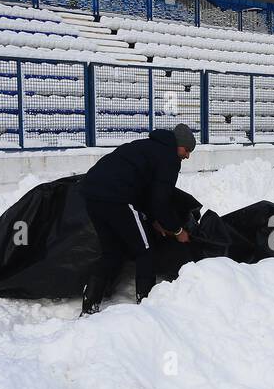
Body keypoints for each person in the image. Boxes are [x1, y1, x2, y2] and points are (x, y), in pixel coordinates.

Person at [78, 123, 196, 314]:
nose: (187, 155)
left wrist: (154, 219)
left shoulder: (147, 146)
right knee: (145, 250)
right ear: (178, 145)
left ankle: (90, 303)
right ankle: (147, 307)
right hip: (117, 198)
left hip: (91, 194)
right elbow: (160, 200)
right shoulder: (169, 159)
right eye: (187, 150)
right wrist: (177, 230)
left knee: (111, 252)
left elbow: (146, 192)